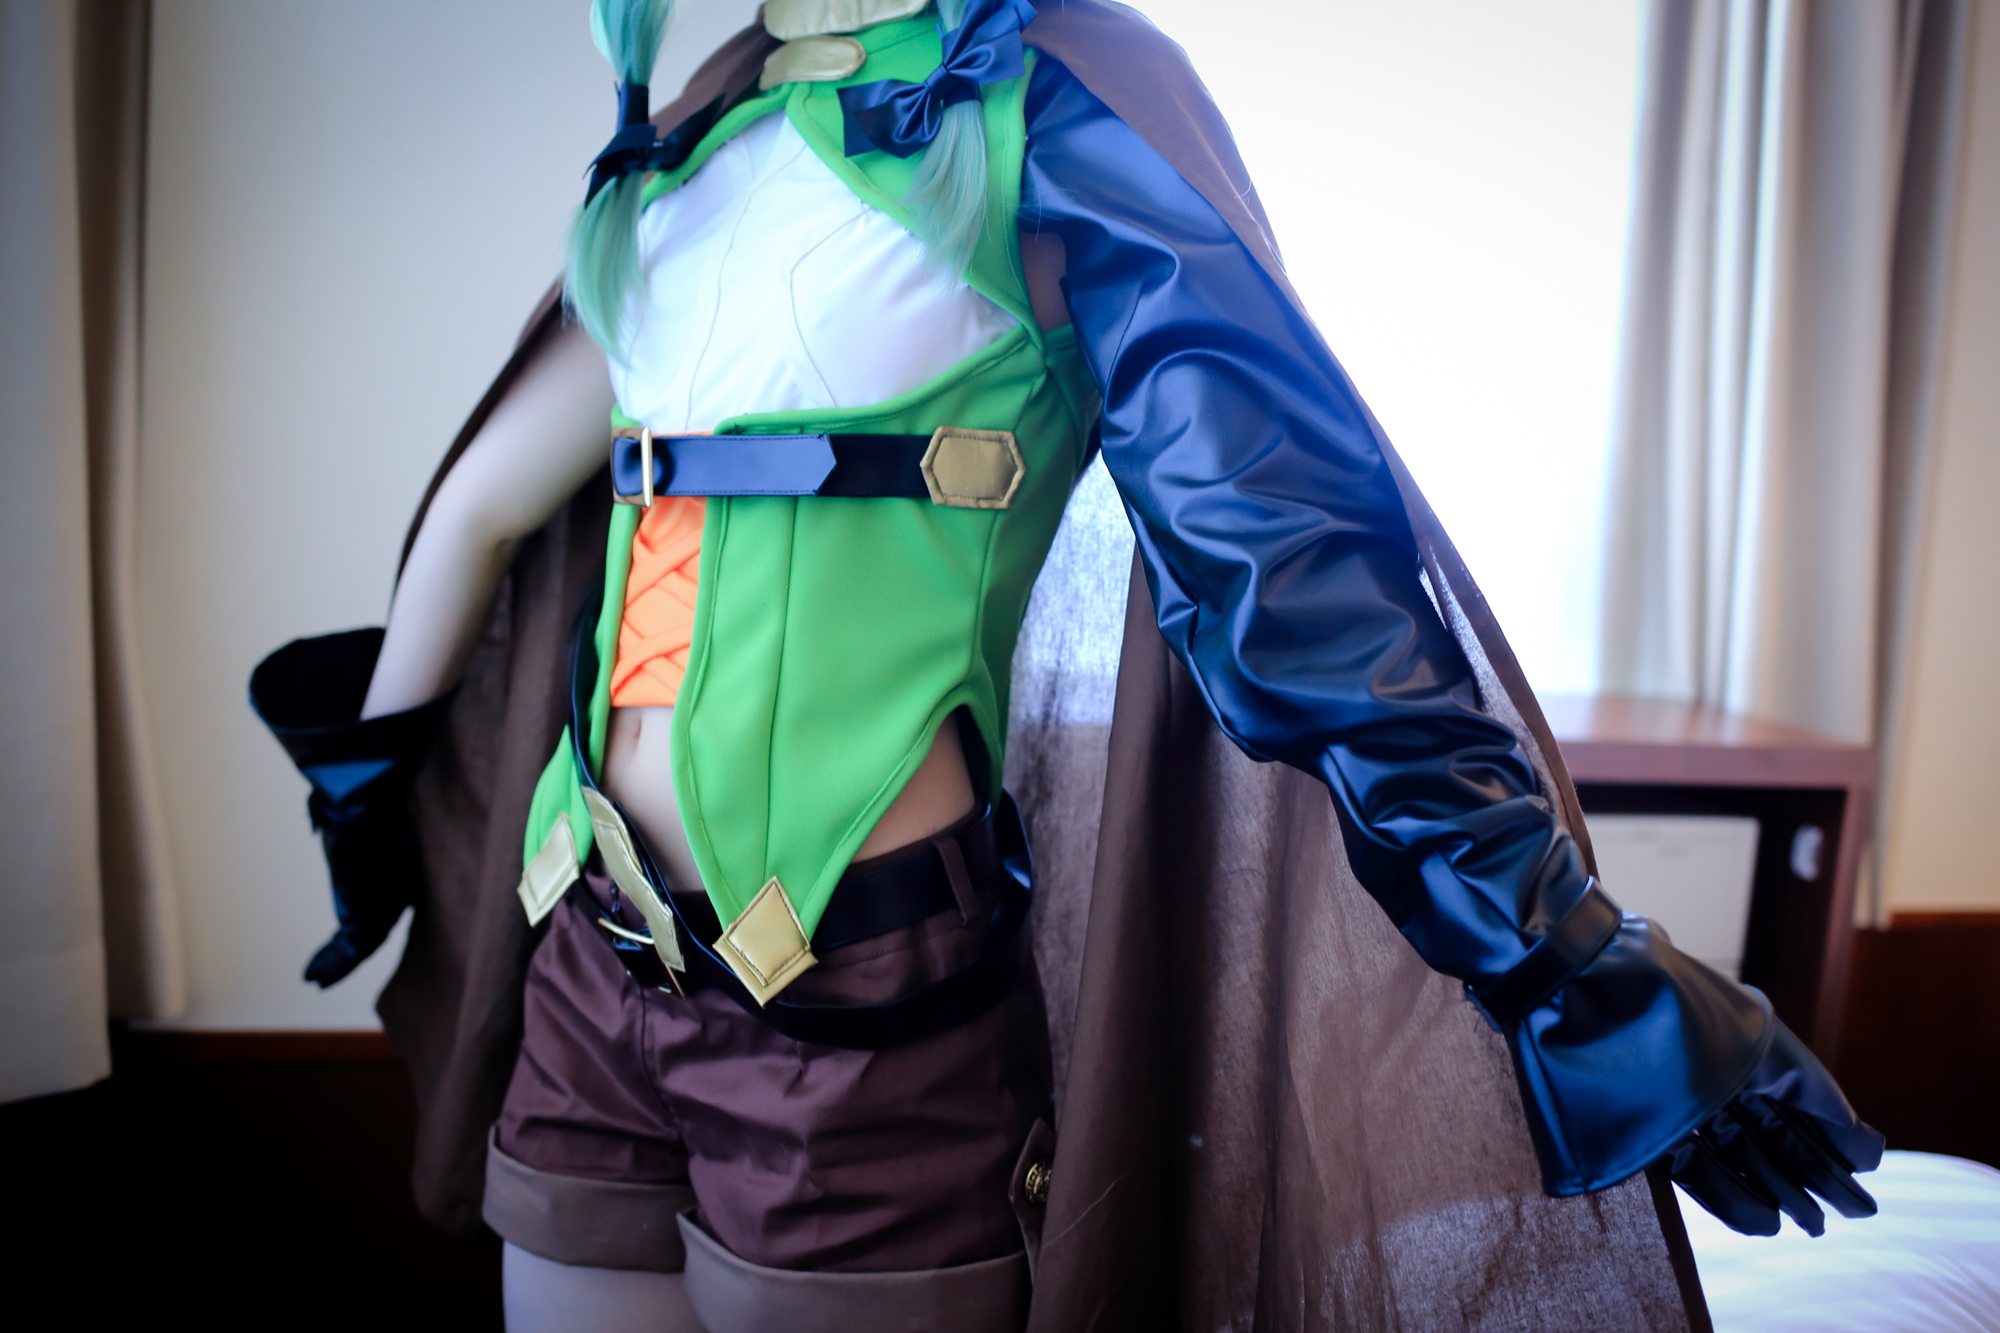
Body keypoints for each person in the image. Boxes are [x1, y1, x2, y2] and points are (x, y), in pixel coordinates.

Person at [251, 2, 1884, 1328]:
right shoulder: (703, 133)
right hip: (592, 955)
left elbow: (1298, 578)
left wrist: (1574, 960)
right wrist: (370, 803)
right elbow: (485, 507)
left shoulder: (1062, 100)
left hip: (853, 986)